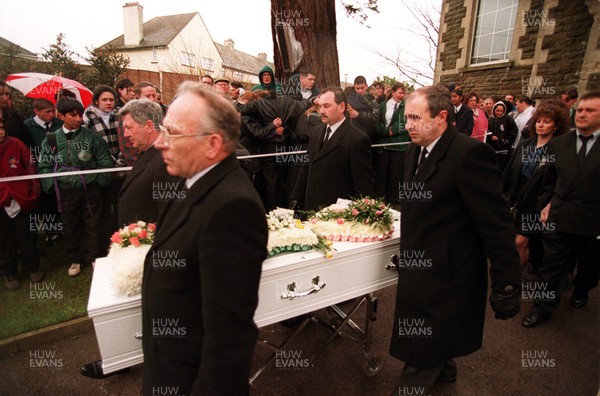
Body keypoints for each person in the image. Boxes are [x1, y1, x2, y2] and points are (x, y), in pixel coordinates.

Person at [389, 86, 521, 396]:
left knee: (424, 347)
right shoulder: (414, 149)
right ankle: (445, 369)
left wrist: (506, 282)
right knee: (429, 335)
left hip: (449, 272)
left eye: (414, 118)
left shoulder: (469, 155)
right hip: (418, 266)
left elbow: (496, 223)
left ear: (442, 117)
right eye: (406, 117)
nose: (407, 125)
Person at [142, 81, 267, 395]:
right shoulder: (188, 181)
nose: (159, 143)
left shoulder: (232, 208)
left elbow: (229, 336)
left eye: (172, 133)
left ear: (212, 145)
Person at [522, 92, 600, 328]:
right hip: (559, 216)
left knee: (589, 267)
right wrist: (546, 205)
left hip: (593, 220)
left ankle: (582, 289)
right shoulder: (559, 144)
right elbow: (548, 180)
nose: (583, 114)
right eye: (581, 109)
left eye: (590, 110)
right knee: (552, 266)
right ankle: (542, 308)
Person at [37, 98, 114, 276]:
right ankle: (76, 259)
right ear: (61, 116)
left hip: (89, 188)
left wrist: (98, 183)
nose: (79, 119)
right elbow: (44, 165)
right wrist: (52, 185)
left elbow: (105, 163)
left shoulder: (92, 137)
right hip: (65, 190)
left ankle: (95, 257)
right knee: (70, 225)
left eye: (80, 114)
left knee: (93, 223)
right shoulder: (50, 139)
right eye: (73, 115)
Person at [503, 101, 569, 272]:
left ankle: (514, 277)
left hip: (537, 202)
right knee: (511, 240)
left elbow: (562, 180)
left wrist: (550, 204)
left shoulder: (558, 151)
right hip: (516, 198)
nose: (541, 124)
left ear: (556, 126)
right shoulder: (525, 145)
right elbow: (510, 171)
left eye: (546, 121)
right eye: (538, 120)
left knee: (520, 241)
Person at [290, 86, 374, 211]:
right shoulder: (316, 131)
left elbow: (363, 186)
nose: (321, 111)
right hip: (311, 209)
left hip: (336, 216)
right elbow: (306, 168)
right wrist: (295, 200)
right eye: (320, 106)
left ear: (341, 107)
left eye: (327, 106)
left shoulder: (357, 139)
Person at [118, 99, 181, 225]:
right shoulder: (147, 152)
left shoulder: (165, 161)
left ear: (149, 126)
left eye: (129, 128)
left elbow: (170, 214)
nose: (125, 134)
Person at [0, 118, 42, 290]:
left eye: (2, 127)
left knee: (25, 235)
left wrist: (32, 191)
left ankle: (32, 267)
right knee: (4, 239)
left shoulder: (17, 144)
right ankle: (9, 273)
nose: (0, 132)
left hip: (21, 197)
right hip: (1, 202)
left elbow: (30, 167)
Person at [83, 85, 126, 252]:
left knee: (119, 207)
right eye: (104, 100)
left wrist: (121, 160)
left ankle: (120, 240)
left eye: (111, 100)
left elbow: (126, 140)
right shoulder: (87, 118)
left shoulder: (120, 115)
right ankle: (100, 247)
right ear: (96, 101)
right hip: (99, 173)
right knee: (101, 212)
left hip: (120, 169)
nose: (108, 103)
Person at [23, 98, 63, 245]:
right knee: (45, 203)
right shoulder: (27, 126)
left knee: (57, 200)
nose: (51, 114)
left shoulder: (59, 123)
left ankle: (60, 229)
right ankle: (50, 231)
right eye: (47, 112)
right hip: (39, 169)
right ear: (36, 111)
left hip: (60, 166)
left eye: (53, 111)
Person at [373, 82, 409, 208]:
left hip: (399, 146)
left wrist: (393, 131)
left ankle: (394, 199)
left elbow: (405, 123)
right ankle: (381, 199)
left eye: (403, 93)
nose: (402, 95)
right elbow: (377, 123)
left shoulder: (406, 107)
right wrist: (386, 131)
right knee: (382, 173)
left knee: (396, 174)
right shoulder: (382, 105)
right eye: (399, 92)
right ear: (392, 92)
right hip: (383, 145)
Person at [487, 100, 518, 171]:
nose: (499, 113)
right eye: (497, 111)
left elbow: (513, 131)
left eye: (501, 111)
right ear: (494, 110)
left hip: (504, 149)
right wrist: (491, 137)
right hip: (492, 148)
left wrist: (506, 141)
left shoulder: (508, 119)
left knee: (502, 168)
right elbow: (487, 130)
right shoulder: (490, 120)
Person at [0, 81, 33, 148]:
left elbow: (26, 141)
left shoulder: (14, 117)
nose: (5, 98)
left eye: (7, 94)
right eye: (0, 94)